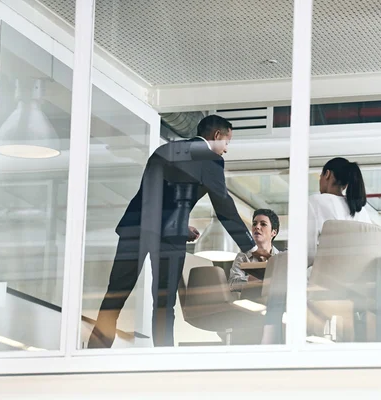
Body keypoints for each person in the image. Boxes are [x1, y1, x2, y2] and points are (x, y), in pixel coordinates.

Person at [88, 115, 271, 348]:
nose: (226, 149)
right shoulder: (210, 159)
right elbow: (224, 208)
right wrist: (252, 249)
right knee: (164, 303)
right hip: (168, 240)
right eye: (227, 142)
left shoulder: (166, 150)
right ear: (216, 137)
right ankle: (163, 359)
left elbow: (155, 196)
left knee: (115, 294)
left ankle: (95, 350)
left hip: (134, 228)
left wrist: (179, 226)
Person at [260, 157, 372, 344]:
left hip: (323, 283)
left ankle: (271, 340)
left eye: (320, 175)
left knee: (281, 272)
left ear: (327, 175)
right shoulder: (362, 211)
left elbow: (307, 254)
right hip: (357, 286)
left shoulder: (314, 203)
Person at [228, 209, 281, 292]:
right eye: (254, 224)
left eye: (263, 224)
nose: (257, 227)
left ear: (274, 232)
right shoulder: (243, 256)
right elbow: (232, 284)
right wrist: (253, 280)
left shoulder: (281, 258)